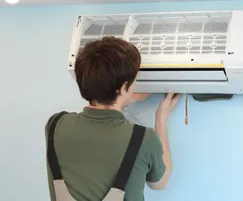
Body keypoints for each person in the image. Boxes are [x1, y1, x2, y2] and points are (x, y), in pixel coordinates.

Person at [45, 36, 180, 201]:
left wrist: (123, 98)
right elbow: (160, 183)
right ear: (123, 88)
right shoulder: (143, 138)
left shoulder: (55, 124)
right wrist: (161, 118)